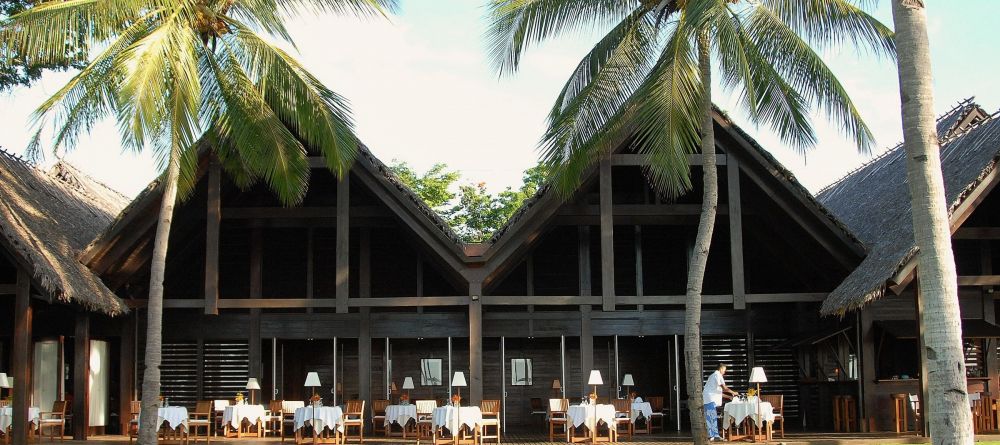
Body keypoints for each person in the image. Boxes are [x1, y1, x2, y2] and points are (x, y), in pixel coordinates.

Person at [703, 363, 738, 441]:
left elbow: (718, 392)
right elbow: (724, 388)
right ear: (721, 369)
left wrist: (729, 397)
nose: (724, 372)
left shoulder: (713, 376)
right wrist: (733, 392)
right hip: (709, 399)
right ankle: (712, 436)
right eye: (724, 370)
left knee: (712, 416)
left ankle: (715, 435)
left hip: (709, 398)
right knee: (711, 416)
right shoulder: (718, 375)